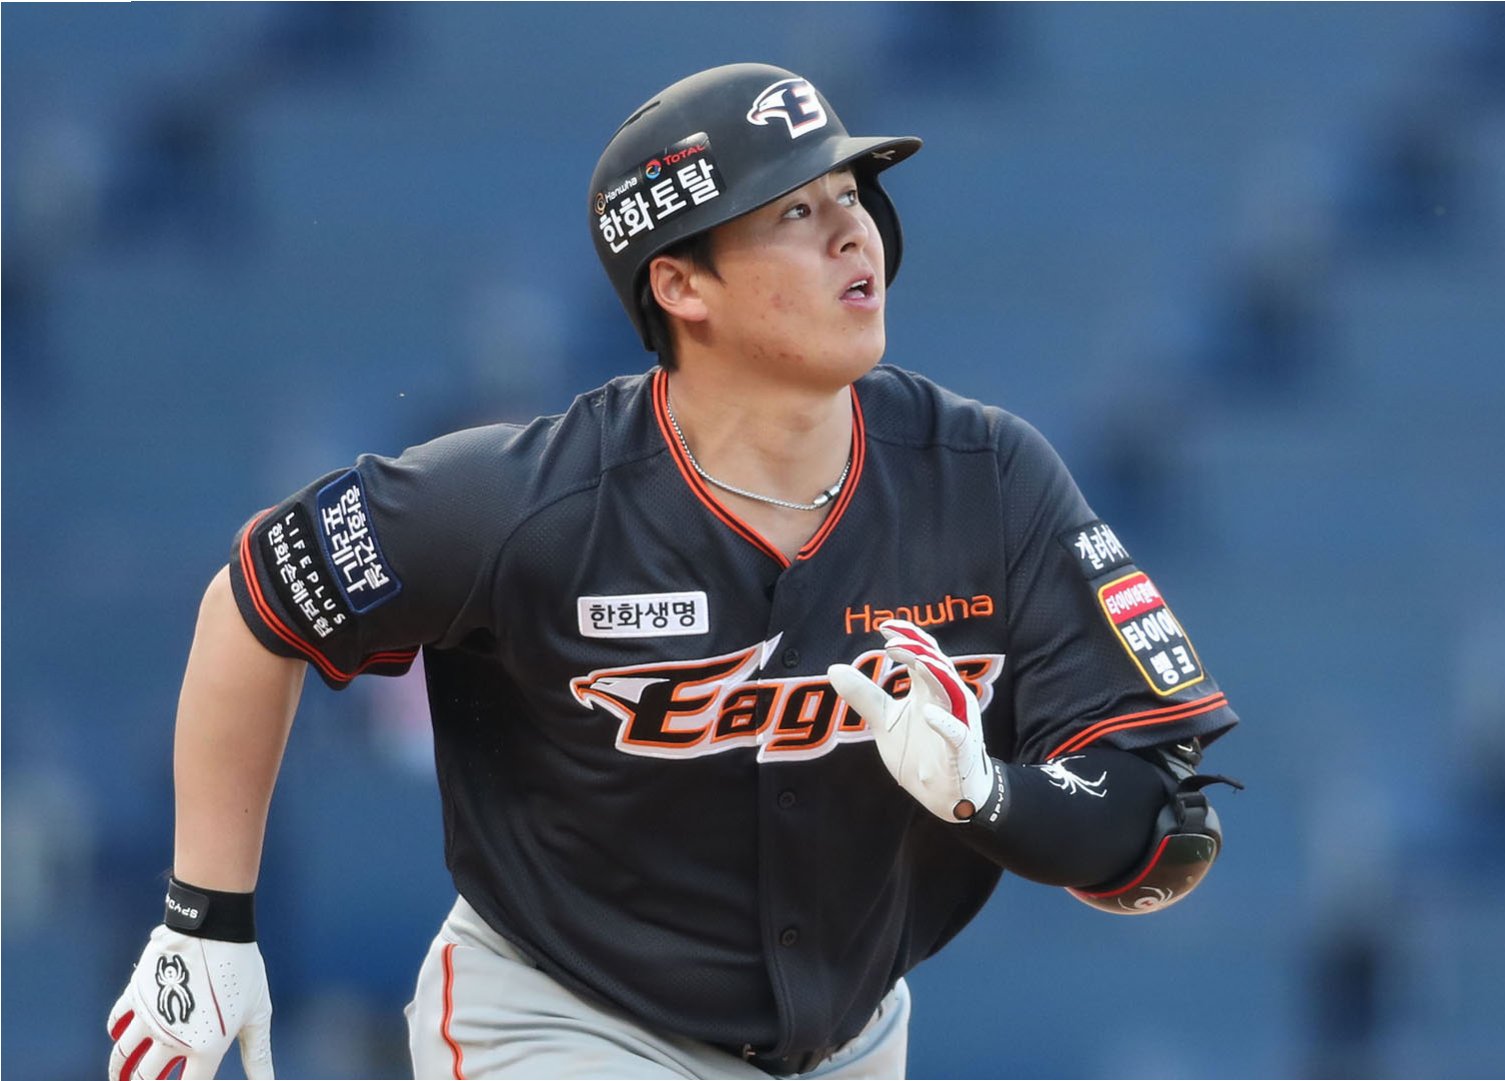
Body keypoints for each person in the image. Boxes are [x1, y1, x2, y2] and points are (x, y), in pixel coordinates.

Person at [105, 62, 1239, 1081]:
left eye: (852, 196)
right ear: (681, 285)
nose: (853, 233)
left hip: (850, 1038)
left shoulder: (990, 480)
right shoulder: (523, 501)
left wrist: (984, 793)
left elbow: (1162, 832)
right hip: (558, 1018)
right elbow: (255, 603)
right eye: (795, 210)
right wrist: (204, 922)